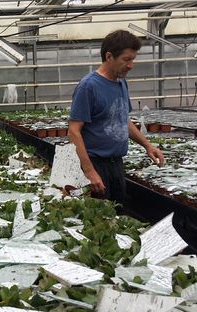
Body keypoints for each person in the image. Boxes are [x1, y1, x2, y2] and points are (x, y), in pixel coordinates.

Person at [68, 30, 165, 203]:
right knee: (99, 218)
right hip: (96, 164)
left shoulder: (121, 83)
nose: (131, 65)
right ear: (109, 57)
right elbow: (74, 131)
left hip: (116, 164)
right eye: (127, 59)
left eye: (133, 59)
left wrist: (147, 146)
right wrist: (89, 171)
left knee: (118, 213)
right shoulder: (88, 87)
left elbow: (122, 120)